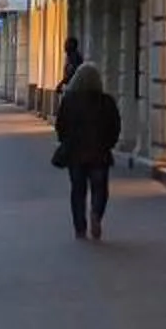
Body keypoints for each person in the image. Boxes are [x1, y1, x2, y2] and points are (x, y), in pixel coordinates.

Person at [52, 59, 122, 243]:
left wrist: (65, 142)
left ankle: (80, 228)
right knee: (100, 190)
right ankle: (96, 214)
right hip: (100, 154)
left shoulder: (69, 101)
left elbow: (60, 125)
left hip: (75, 154)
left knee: (78, 191)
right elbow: (115, 126)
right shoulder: (106, 101)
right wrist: (108, 144)